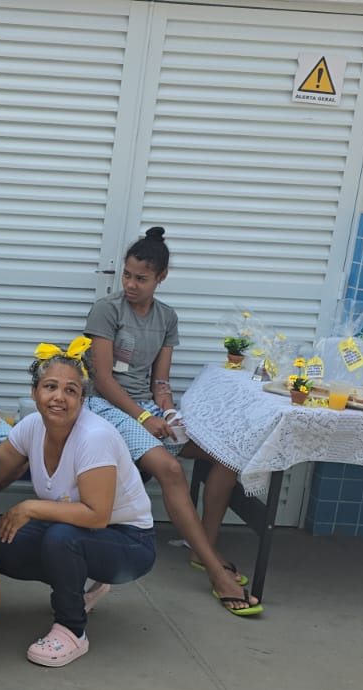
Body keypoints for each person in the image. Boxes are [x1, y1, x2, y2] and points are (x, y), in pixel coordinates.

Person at [83, 227, 261, 616]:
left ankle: (204, 548)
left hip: (146, 409)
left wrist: (167, 411)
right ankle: (217, 572)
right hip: (107, 408)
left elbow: (160, 380)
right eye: (127, 275)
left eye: (141, 278)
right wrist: (145, 416)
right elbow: (103, 380)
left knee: (225, 455)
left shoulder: (167, 317)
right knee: (169, 468)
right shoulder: (107, 310)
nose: (130, 284)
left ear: (160, 278)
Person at [0, 345, 157, 667]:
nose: (59, 397)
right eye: (50, 386)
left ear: (82, 400)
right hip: (78, 532)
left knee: (60, 539)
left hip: (130, 543)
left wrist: (31, 507)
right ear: (34, 391)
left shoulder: (93, 436)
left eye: (71, 390)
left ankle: (71, 630)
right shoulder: (31, 427)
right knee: (1, 542)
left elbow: (96, 515)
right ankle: (76, 589)